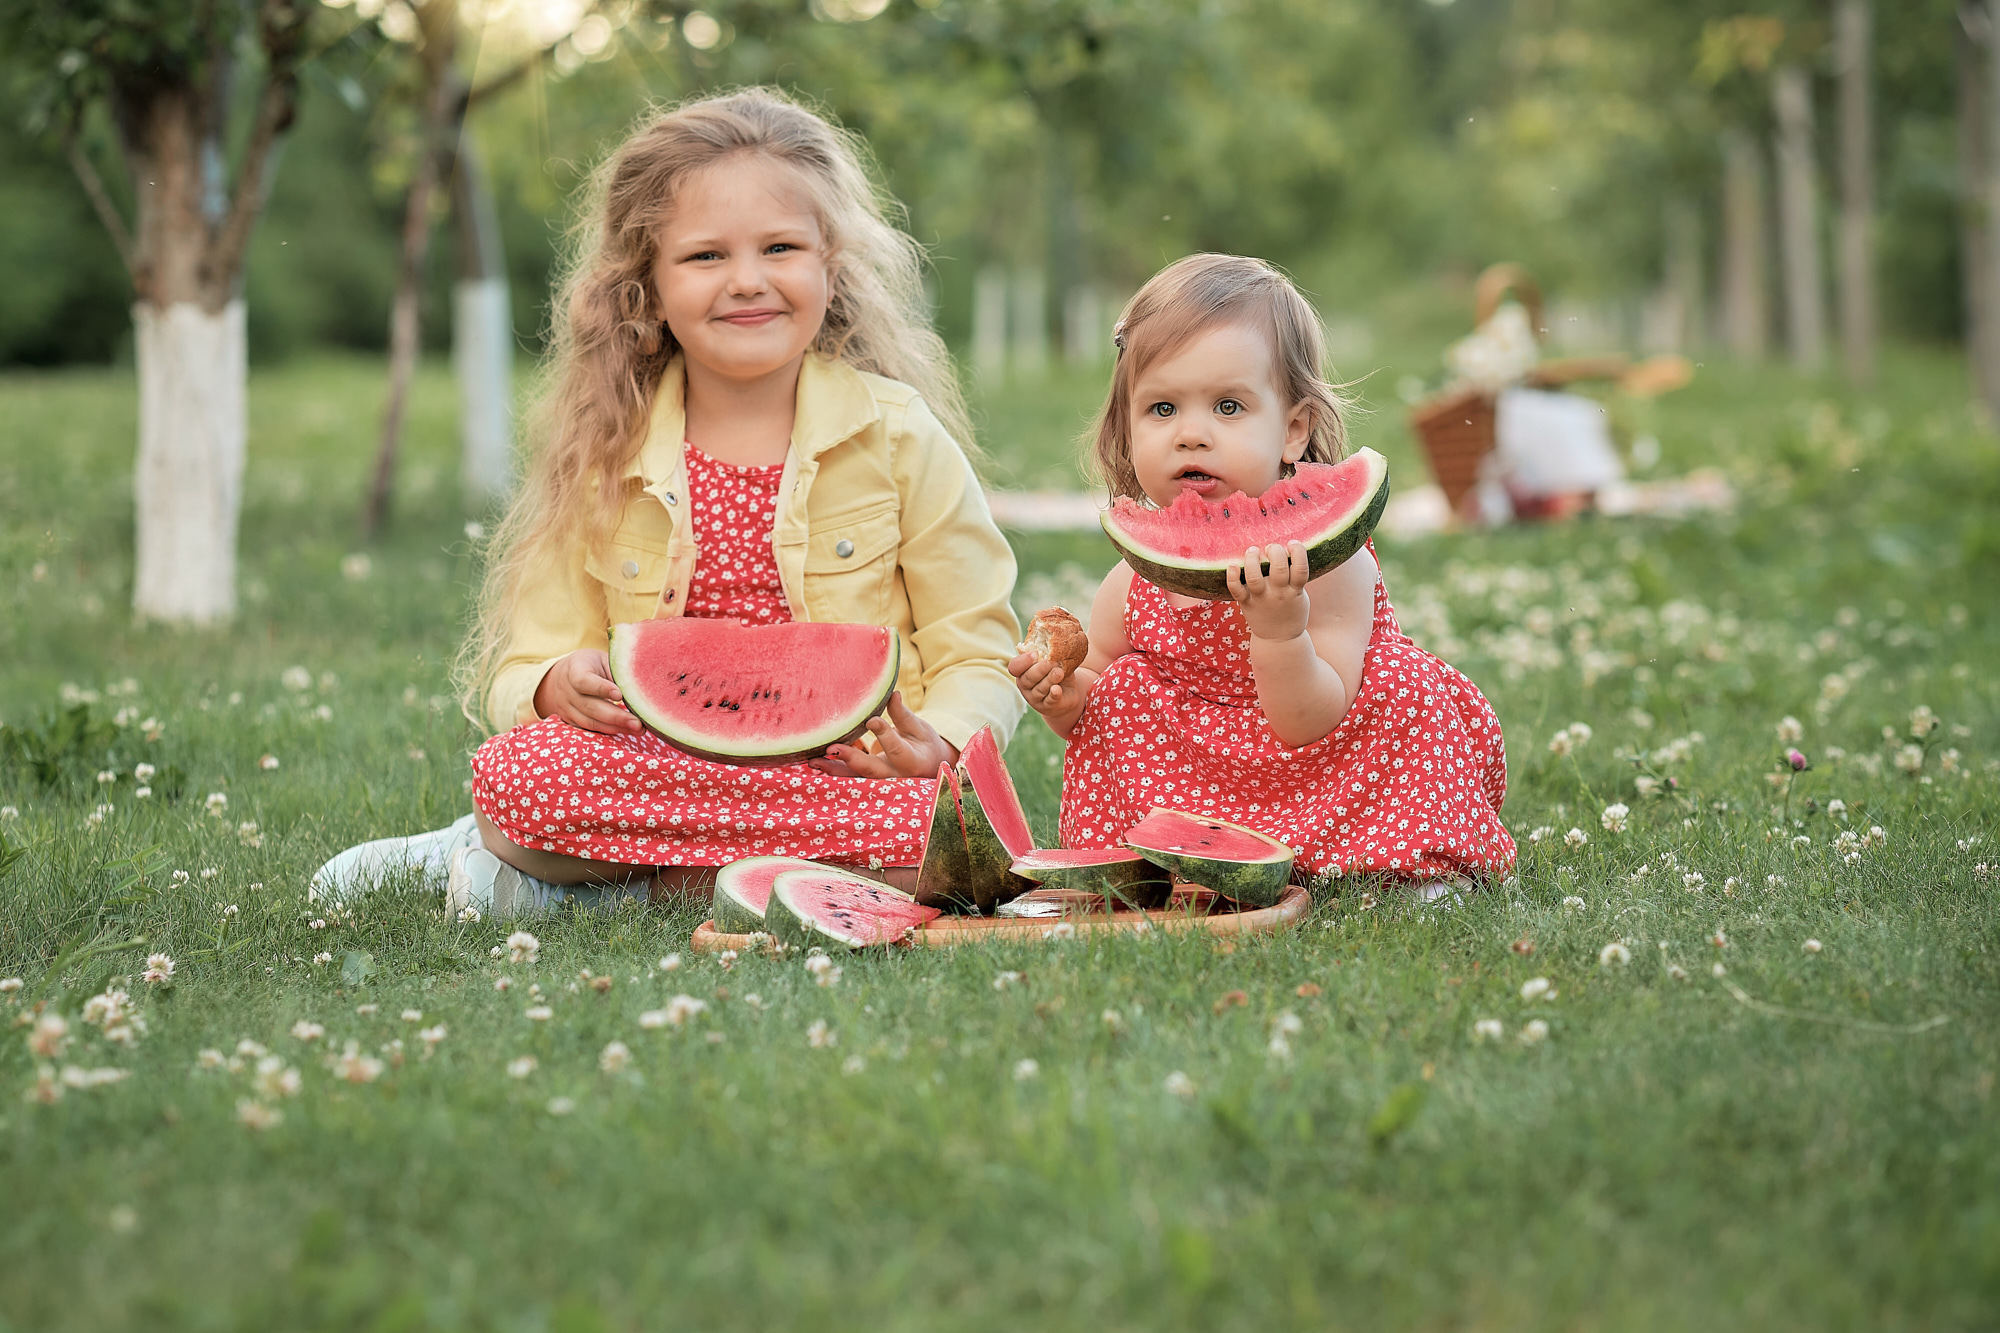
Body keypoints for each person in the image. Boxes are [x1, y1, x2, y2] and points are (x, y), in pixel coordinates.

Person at [314, 88, 1022, 915]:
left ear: (831, 262)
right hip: (654, 768)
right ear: (644, 287)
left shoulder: (899, 435)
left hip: (849, 775)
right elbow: (529, 657)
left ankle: (598, 891)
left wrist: (938, 739)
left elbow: (976, 643)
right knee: (524, 780)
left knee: (967, 847)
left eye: (781, 247)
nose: (748, 281)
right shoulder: (605, 449)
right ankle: (529, 846)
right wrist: (552, 686)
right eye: (705, 257)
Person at [1009, 254, 1514, 896]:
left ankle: (1402, 864)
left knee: (1405, 692)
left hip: (1332, 775)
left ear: (1293, 430)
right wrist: (1063, 697)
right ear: (1125, 426)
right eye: (1161, 409)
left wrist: (1279, 634)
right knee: (1125, 688)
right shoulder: (1131, 583)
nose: (1191, 435)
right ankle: (1177, 859)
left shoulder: (1331, 567)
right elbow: (1098, 711)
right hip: (1202, 793)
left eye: (1227, 406)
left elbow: (1313, 721)